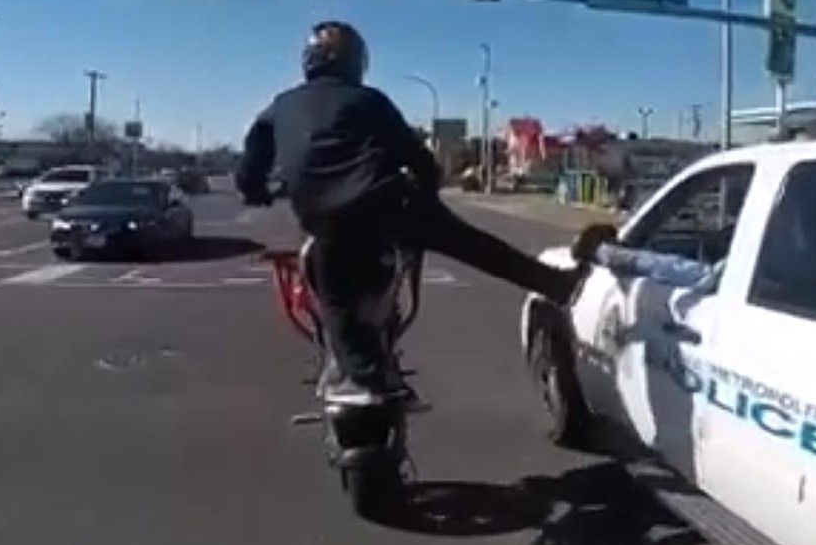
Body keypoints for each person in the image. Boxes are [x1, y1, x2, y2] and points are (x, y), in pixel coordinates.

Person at [236, 20, 584, 406]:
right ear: (356, 62)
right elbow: (417, 157)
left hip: (327, 220)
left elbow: (250, 169)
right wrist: (428, 194)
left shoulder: (280, 106)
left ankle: (367, 377)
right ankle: (557, 284)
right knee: (477, 247)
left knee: (333, 300)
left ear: (308, 62)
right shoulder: (368, 101)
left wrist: (258, 192)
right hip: (389, 207)